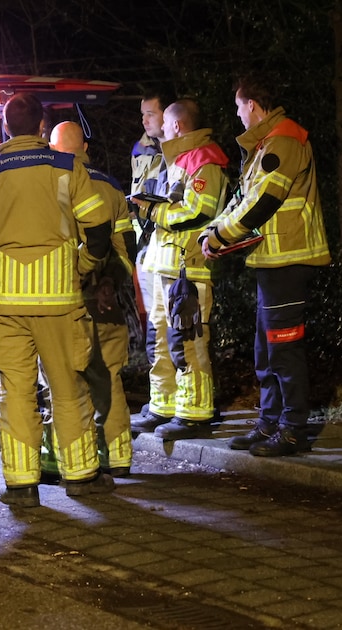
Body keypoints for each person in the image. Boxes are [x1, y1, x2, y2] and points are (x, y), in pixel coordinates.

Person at [0, 93, 116, 508]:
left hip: (7, 305)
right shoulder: (68, 167)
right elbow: (98, 225)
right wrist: (85, 263)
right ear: (42, 127)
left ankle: (20, 484)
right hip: (59, 302)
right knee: (67, 389)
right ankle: (80, 476)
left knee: (16, 392)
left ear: (5, 129)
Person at [200, 75, 331, 457]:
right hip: (273, 258)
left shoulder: (283, 142)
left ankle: (293, 429)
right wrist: (214, 230)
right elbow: (243, 199)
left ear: (253, 105)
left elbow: (264, 203)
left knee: (284, 350)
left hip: (288, 258)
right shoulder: (265, 146)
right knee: (266, 349)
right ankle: (271, 423)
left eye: (239, 106)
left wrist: (221, 237)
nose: (237, 114)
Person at [130, 99, 229, 441]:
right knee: (159, 338)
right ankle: (164, 406)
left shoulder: (204, 160)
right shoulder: (177, 159)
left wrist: (152, 213)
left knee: (187, 341)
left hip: (188, 268)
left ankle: (195, 413)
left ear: (177, 126)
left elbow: (198, 212)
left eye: (167, 123)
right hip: (164, 265)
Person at [49, 121, 137, 477]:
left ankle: (77, 460)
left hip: (66, 297)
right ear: (85, 146)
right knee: (110, 377)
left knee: (67, 381)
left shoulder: (54, 185)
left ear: (55, 151)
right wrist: (111, 283)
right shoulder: (112, 186)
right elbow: (126, 246)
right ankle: (118, 458)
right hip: (106, 297)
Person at [129, 88, 178, 435]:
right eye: (143, 114)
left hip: (170, 249)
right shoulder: (142, 149)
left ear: (168, 114)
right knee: (155, 330)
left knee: (175, 331)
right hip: (148, 247)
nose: (145, 120)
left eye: (150, 113)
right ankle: (161, 399)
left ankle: (176, 402)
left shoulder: (178, 153)